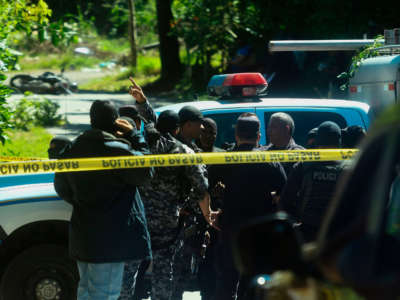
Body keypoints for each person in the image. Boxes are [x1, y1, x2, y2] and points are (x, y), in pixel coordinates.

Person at [119, 77, 218, 300]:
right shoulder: (184, 153)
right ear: (179, 128)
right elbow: (202, 189)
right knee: (163, 274)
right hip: (167, 223)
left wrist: (143, 102)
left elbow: (153, 122)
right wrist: (208, 214)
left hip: (139, 217)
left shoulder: (144, 144)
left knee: (129, 271)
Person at [54, 100, 153, 300]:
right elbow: (145, 171)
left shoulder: (72, 150)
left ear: (91, 121)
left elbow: (61, 188)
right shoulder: (117, 149)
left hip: (84, 235)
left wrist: (85, 202)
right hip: (110, 239)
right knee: (105, 294)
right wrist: (135, 136)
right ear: (114, 122)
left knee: (86, 292)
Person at [209, 113, 287, 300]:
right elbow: (285, 190)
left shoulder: (224, 160)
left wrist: (213, 212)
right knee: (258, 280)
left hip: (231, 229)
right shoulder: (270, 160)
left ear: (236, 135)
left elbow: (205, 187)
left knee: (227, 280)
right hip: (260, 230)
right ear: (259, 136)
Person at [280, 121, 347, 242]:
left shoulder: (304, 166)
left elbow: (285, 201)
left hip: (307, 232)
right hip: (338, 233)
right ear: (339, 141)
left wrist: (294, 224)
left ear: (318, 141)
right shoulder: (349, 168)